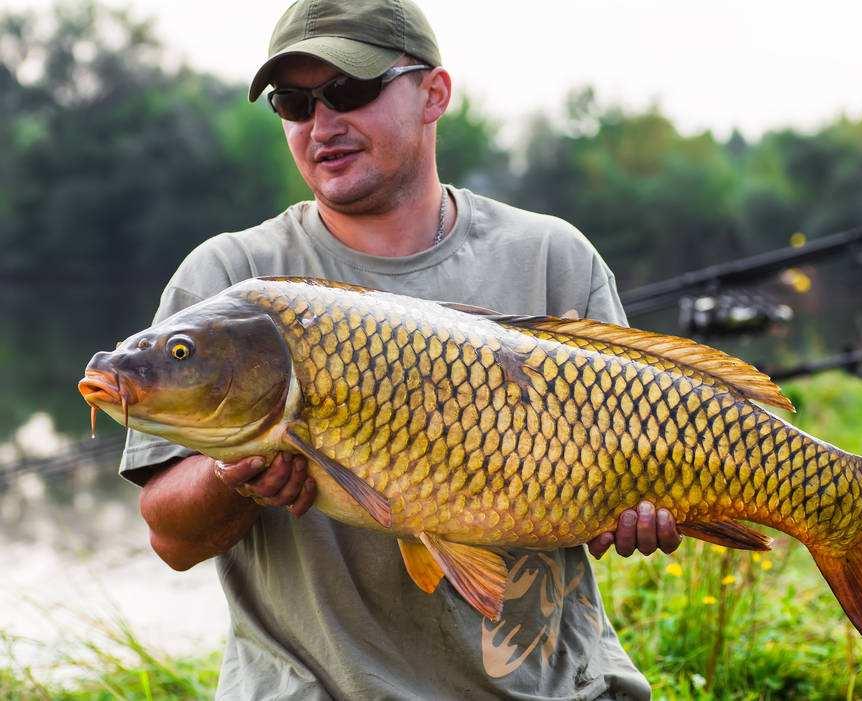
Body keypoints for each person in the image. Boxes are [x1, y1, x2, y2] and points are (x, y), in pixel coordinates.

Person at [123, 1, 681, 698]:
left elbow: (631, 469)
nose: (322, 124)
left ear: (434, 94)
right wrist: (229, 474)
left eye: (349, 91)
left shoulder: (551, 256)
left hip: (550, 685)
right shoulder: (229, 283)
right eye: (294, 103)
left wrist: (636, 511)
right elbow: (171, 540)